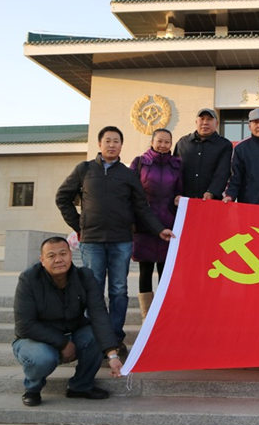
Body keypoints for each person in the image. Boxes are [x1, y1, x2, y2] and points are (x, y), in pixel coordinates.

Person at [56, 126, 174, 355]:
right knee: (94, 289)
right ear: (100, 144)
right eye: (108, 141)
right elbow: (62, 197)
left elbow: (141, 207)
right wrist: (78, 224)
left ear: (122, 146)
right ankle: (94, 338)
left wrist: (159, 230)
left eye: (116, 141)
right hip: (92, 241)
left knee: (119, 290)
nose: (112, 145)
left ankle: (116, 338)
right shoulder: (85, 170)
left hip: (121, 241)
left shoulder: (128, 174)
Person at [12, 237, 124, 407]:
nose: (58, 260)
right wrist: (63, 343)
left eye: (63, 253)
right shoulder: (29, 279)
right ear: (42, 260)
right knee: (41, 357)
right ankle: (33, 389)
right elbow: (24, 325)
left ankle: (81, 386)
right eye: (51, 256)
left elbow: (99, 314)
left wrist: (112, 354)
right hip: (36, 338)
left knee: (95, 334)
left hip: (73, 332)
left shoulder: (84, 276)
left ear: (71, 255)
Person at [129, 128, 183, 321]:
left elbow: (180, 189)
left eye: (167, 142)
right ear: (152, 141)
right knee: (145, 269)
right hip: (144, 223)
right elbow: (132, 192)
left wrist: (178, 198)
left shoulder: (177, 164)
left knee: (163, 270)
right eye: (159, 141)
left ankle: (161, 314)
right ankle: (146, 316)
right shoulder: (140, 162)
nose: (163, 145)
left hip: (168, 223)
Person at [174, 108, 233, 201]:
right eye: (202, 119)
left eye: (209, 119)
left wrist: (212, 191)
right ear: (196, 122)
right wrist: (176, 193)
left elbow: (223, 172)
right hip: (184, 201)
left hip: (211, 202)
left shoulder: (224, 145)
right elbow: (175, 171)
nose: (205, 123)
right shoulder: (183, 143)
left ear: (216, 124)